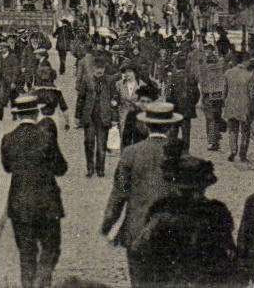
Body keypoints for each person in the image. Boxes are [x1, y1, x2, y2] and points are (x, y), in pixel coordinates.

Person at [102, 102, 183, 287]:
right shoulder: (180, 155)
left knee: (140, 281)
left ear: (146, 125)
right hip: (171, 231)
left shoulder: (131, 153)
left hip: (137, 230)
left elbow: (119, 194)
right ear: (170, 126)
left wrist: (108, 223)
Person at [129, 155, 237, 288]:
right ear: (203, 187)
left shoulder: (162, 213)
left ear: (176, 186)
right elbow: (230, 254)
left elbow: (138, 250)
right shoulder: (216, 213)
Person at [1, 94, 67, 288]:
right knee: (51, 247)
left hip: (20, 203)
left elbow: (7, 167)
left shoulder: (8, 139)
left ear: (17, 115)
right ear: (37, 112)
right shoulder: (46, 137)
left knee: (26, 252)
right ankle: (42, 281)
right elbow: (60, 168)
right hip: (47, 203)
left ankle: (29, 285)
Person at [78, 55, 118, 178]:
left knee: (101, 144)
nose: (99, 70)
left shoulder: (109, 81)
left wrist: (114, 102)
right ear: (93, 68)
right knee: (89, 143)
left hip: (103, 117)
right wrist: (77, 116)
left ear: (105, 69)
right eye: (97, 68)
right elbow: (81, 98)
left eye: (101, 68)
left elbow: (115, 95)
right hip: (89, 117)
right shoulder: (86, 80)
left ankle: (100, 168)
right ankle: (90, 168)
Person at [223, 56, 254, 163]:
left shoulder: (228, 73)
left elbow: (224, 91)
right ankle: (242, 155)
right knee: (245, 132)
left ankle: (233, 151)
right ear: (244, 61)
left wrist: (226, 102)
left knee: (232, 130)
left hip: (231, 105)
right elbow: (252, 94)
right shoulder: (249, 75)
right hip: (244, 107)